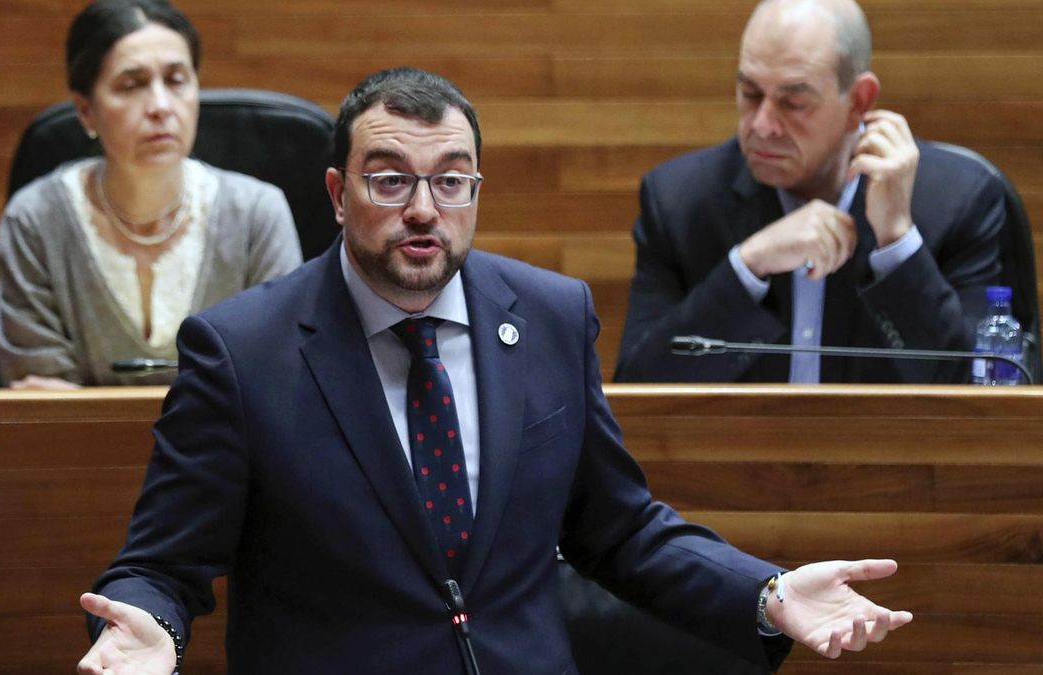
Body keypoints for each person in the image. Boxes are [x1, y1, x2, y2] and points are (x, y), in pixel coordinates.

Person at [77, 67, 911, 675]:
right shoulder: (242, 350)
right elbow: (161, 561)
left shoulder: (548, 315)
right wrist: (150, 627)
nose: (422, 209)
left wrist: (766, 592)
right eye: (390, 178)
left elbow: (619, 529)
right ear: (337, 192)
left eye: (451, 182)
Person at [615, 0, 1005, 384]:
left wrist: (897, 244)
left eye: (793, 102)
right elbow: (638, 392)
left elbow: (985, 400)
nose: (763, 125)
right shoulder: (679, 201)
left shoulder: (958, 201)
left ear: (858, 100)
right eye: (750, 94)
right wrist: (748, 266)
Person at [0, 0, 302, 389]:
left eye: (176, 80)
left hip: (231, 452)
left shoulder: (258, 214)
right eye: (132, 85)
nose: (160, 107)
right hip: (79, 451)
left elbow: (279, 383)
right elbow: (45, 404)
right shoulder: (35, 220)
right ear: (86, 111)